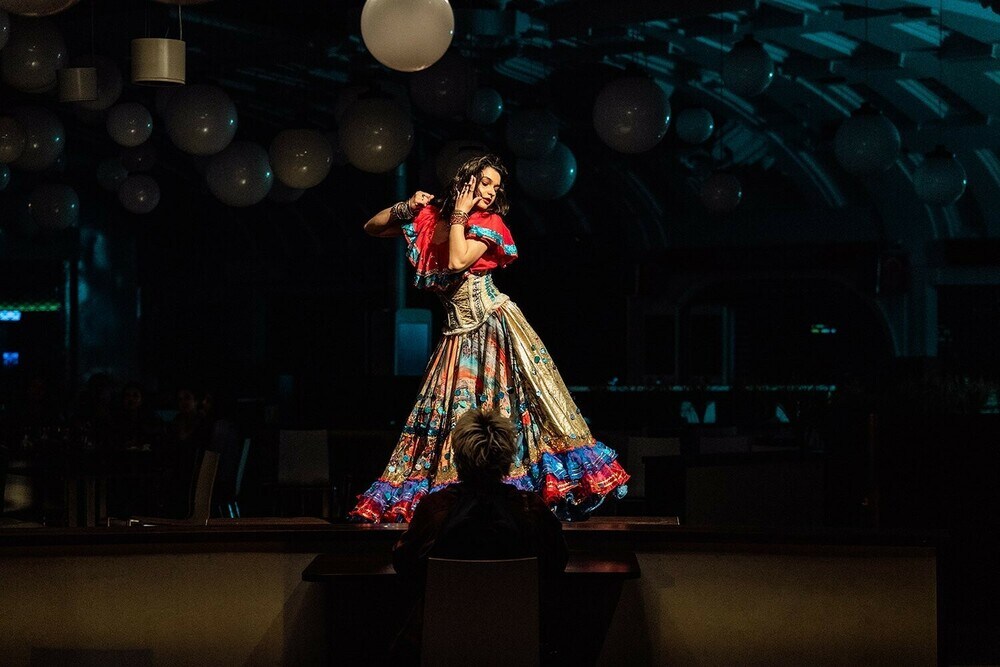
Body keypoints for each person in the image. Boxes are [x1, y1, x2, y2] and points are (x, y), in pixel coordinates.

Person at [350, 154, 629, 522]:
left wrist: (460, 215)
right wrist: (408, 206)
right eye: (485, 183)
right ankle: (457, 499)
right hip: (456, 337)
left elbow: (456, 261)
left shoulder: (488, 223)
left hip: (493, 325)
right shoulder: (432, 219)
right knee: (453, 416)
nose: (491, 192)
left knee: (513, 409)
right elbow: (372, 226)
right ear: (464, 181)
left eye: (496, 187)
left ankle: (515, 498)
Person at [392, 408, 568, 575]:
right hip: (516, 597)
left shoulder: (434, 508)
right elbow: (557, 560)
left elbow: (404, 562)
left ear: (457, 459)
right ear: (508, 459)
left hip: (448, 597)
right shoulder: (530, 508)